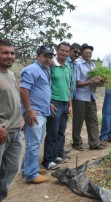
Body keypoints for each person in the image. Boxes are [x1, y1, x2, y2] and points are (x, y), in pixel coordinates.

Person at [20, 45, 55, 183]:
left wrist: (49, 103)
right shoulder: (32, 69)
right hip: (34, 112)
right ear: (38, 55)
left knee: (36, 142)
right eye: (45, 56)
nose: (48, 59)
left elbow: (41, 89)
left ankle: (28, 168)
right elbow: (23, 89)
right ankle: (31, 174)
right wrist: (29, 110)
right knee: (33, 144)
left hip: (42, 110)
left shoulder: (45, 69)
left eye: (50, 56)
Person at [42, 42, 71, 170]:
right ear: (57, 50)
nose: (64, 53)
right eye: (62, 50)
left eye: (66, 51)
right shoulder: (51, 66)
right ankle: (48, 160)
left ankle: (55, 156)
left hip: (65, 103)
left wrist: (70, 105)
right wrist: (49, 102)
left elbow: (68, 87)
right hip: (55, 103)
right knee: (52, 132)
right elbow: (46, 85)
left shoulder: (67, 67)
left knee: (61, 132)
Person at [71, 43, 106, 151]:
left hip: (91, 96)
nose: (88, 54)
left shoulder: (93, 65)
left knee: (93, 120)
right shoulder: (77, 65)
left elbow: (95, 82)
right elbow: (76, 83)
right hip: (80, 97)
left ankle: (94, 143)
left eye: (90, 53)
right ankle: (77, 143)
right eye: (86, 52)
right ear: (81, 53)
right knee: (78, 121)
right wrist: (91, 81)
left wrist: (100, 82)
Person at [0, 39, 22, 200]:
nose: (9, 56)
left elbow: (13, 98)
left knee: (11, 169)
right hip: (1, 132)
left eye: (12, 53)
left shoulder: (11, 74)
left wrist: (20, 116)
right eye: (5, 52)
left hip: (15, 132)